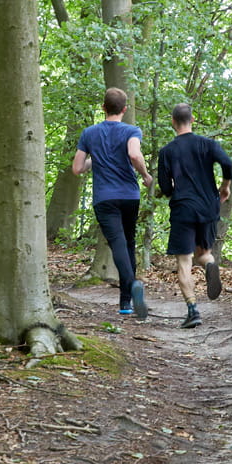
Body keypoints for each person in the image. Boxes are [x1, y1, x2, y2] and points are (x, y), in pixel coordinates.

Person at [73, 87, 153, 319]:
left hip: (105, 197)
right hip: (130, 194)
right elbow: (134, 155)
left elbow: (77, 168)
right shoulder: (132, 130)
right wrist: (146, 176)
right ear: (124, 109)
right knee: (128, 242)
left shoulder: (89, 133)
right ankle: (126, 302)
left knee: (118, 243)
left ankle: (132, 286)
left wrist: (94, 159)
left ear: (103, 107)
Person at [156, 103, 232, 328]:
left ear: (173, 121)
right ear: (193, 120)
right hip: (208, 206)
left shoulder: (167, 151)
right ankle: (210, 264)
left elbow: (165, 187)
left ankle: (193, 310)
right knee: (204, 254)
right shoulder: (207, 144)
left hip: (183, 208)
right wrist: (225, 186)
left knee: (184, 261)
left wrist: (173, 190)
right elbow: (227, 163)